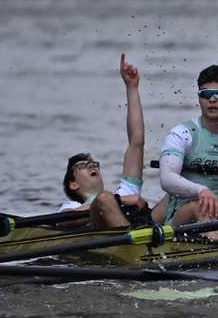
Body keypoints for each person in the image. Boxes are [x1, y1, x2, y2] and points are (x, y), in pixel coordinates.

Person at [60, 54, 167, 228]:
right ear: (73, 184)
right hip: (120, 239)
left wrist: (132, 88)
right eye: (83, 166)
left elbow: (136, 142)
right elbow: (67, 219)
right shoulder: (72, 206)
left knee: (181, 190)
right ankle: (132, 245)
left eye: (93, 163)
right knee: (104, 198)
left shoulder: (127, 190)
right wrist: (120, 200)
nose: (92, 166)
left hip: (142, 225)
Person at [158, 64, 218, 237]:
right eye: (206, 94)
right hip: (183, 218)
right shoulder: (182, 133)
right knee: (201, 206)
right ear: (199, 97)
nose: (212, 99)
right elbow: (166, 179)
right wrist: (200, 191)